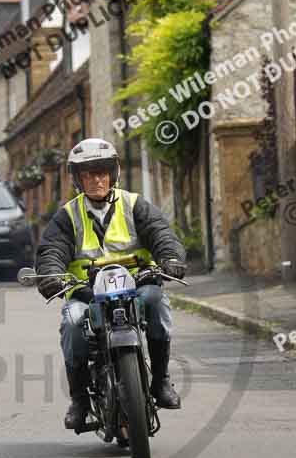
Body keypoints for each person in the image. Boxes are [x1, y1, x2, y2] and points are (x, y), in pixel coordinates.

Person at [35, 138, 187, 430]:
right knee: (72, 322)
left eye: (101, 172)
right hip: (87, 293)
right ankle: (79, 400)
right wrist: (52, 274)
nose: (96, 179)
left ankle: (161, 381)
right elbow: (52, 250)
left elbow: (161, 234)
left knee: (156, 300)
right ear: (78, 179)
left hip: (136, 287)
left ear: (113, 174)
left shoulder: (135, 205)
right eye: (88, 174)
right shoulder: (68, 215)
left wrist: (170, 258)